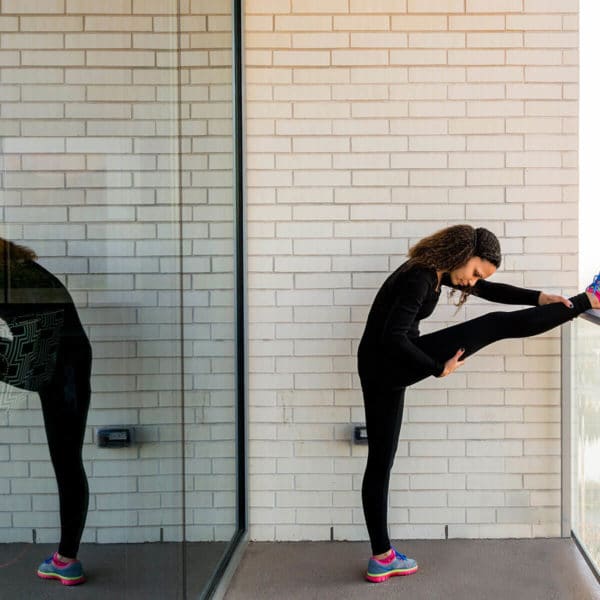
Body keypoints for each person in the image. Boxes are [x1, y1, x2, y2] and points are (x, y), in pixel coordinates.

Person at [357, 224, 600, 583]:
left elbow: (490, 290)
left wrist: (539, 297)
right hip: (392, 361)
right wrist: (437, 367)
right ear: (460, 255)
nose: (472, 282)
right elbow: (394, 336)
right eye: (473, 272)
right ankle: (589, 300)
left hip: (382, 366)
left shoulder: (435, 271)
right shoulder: (421, 278)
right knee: (492, 326)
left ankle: (382, 557)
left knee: (380, 461)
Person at [0, 238, 91, 586]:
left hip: (51, 365)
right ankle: (66, 558)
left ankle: (67, 559)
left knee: (67, 462)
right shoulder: (18, 267)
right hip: (68, 362)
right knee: (69, 461)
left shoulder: (8, 275)